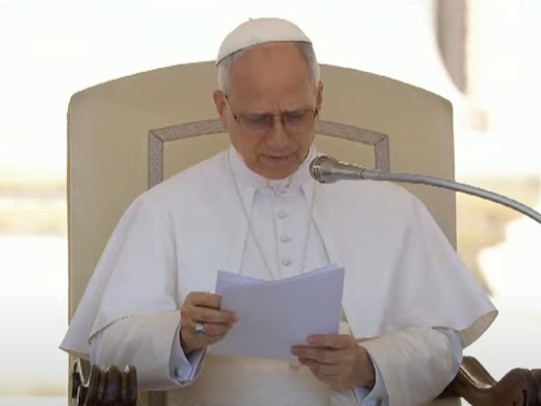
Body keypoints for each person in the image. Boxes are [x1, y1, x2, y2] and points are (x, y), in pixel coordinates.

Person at [60, 17, 497, 406]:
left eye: (296, 116)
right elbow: (108, 347)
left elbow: (443, 345)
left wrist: (368, 365)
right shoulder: (164, 210)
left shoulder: (390, 207)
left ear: (318, 98)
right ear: (222, 108)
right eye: (257, 120)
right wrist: (181, 334)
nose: (280, 139)